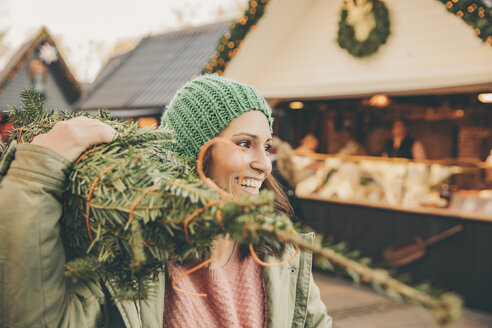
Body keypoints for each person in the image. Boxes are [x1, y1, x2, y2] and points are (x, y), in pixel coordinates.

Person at [0, 75, 332, 327]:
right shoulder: (133, 257)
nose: (265, 163)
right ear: (193, 154)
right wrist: (37, 175)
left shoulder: (279, 255)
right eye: (244, 143)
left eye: (267, 145)